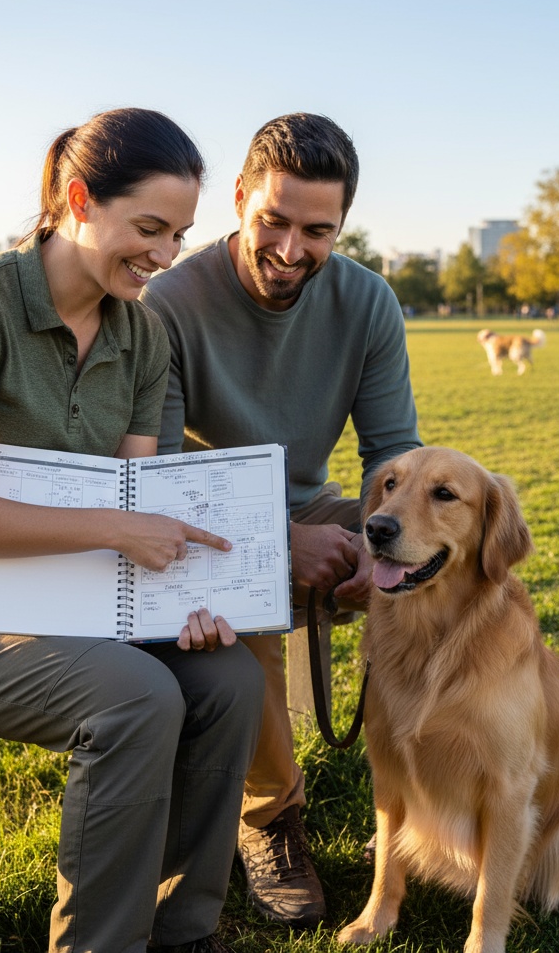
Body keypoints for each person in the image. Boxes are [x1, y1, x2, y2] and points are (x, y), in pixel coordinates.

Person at [0, 108, 264, 953]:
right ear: (79, 199)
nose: (164, 255)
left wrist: (180, 605)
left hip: (73, 594)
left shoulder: (145, 334)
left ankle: (183, 933)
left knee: (228, 680)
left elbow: (135, 498)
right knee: (136, 699)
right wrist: (120, 530)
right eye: (148, 227)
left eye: (181, 234)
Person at [141, 112, 421, 927]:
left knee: (442, 568)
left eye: (317, 230)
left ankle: (417, 800)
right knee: (253, 589)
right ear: (238, 200)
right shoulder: (168, 305)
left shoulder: (367, 301)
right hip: (198, 521)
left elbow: (392, 452)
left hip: (314, 506)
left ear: (341, 226)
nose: (291, 249)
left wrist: (386, 539)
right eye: (273, 220)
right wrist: (274, 541)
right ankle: (269, 820)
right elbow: (155, 474)